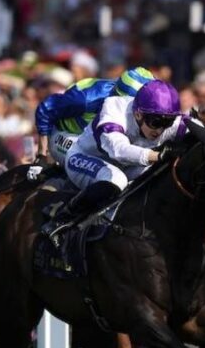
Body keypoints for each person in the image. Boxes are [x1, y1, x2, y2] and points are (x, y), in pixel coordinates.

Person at [47, 79, 186, 243]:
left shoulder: (159, 118)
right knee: (117, 180)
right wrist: (158, 156)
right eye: (155, 122)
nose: (161, 130)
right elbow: (118, 150)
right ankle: (61, 220)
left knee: (159, 175)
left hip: (125, 166)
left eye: (167, 123)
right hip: (83, 158)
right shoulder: (114, 108)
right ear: (138, 113)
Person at [34, 66, 156, 165]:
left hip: (93, 138)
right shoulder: (85, 100)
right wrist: (42, 155)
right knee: (104, 163)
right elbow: (45, 109)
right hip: (67, 134)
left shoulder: (127, 92)